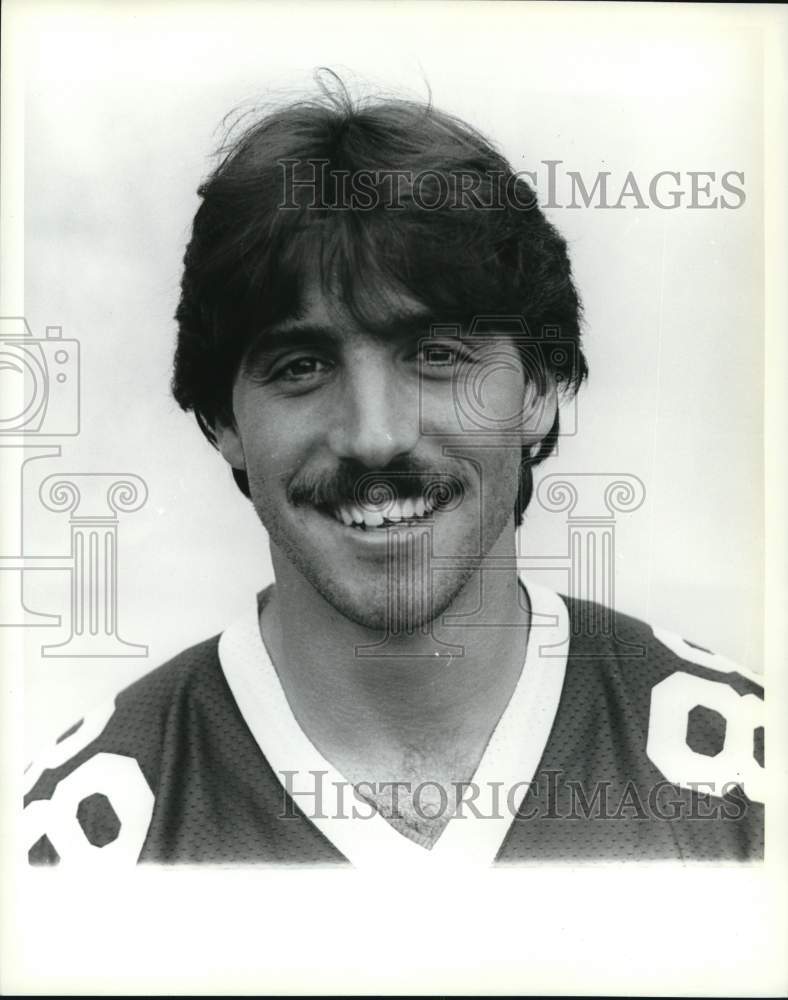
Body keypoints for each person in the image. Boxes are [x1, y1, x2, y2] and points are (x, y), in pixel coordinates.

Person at [24, 75, 764, 867]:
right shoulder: (67, 841)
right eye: (301, 366)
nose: (374, 438)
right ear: (223, 423)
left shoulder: (750, 773)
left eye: (437, 355)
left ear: (541, 392)